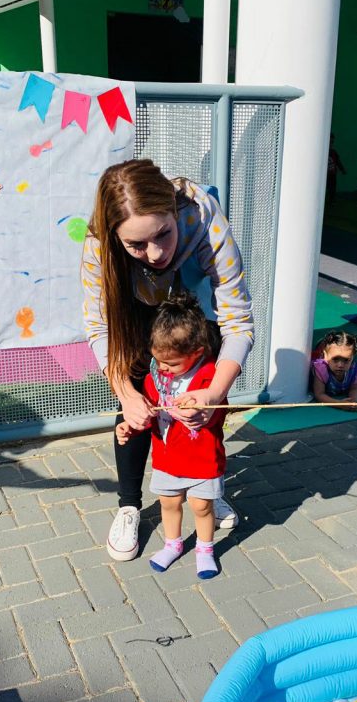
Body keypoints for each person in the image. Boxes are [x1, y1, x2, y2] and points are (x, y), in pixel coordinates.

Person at [81, 159, 254, 561]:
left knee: (202, 391)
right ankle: (129, 505)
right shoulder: (98, 245)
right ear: (115, 237)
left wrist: (214, 392)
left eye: (163, 233)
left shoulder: (202, 214)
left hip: (192, 309)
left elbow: (238, 322)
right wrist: (127, 396)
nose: (156, 253)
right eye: (137, 244)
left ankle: (206, 484)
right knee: (138, 397)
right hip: (136, 311)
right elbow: (98, 328)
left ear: (175, 212)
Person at [116, 292, 225, 579]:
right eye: (159, 361)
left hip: (202, 458)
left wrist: (205, 412)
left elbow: (220, 412)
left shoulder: (210, 377)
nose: (164, 368)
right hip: (167, 458)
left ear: (197, 352)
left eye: (172, 364)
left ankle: (205, 549)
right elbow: (149, 413)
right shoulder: (155, 377)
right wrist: (131, 426)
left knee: (201, 506)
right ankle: (173, 544)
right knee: (169, 502)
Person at [310, 330, 357, 410]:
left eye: (346, 360)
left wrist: (352, 402)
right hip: (317, 355)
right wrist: (339, 404)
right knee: (314, 354)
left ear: (353, 357)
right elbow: (319, 394)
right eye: (335, 359)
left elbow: (354, 388)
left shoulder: (353, 369)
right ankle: (321, 344)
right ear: (325, 356)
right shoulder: (321, 370)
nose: (340, 365)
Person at [326, 133, 347, 204]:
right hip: (325, 175)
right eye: (330, 142)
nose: (331, 144)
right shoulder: (322, 152)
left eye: (332, 142)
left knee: (332, 189)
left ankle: (331, 201)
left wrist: (342, 169)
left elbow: (338, 162)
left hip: (332, 174)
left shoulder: (333, 152)